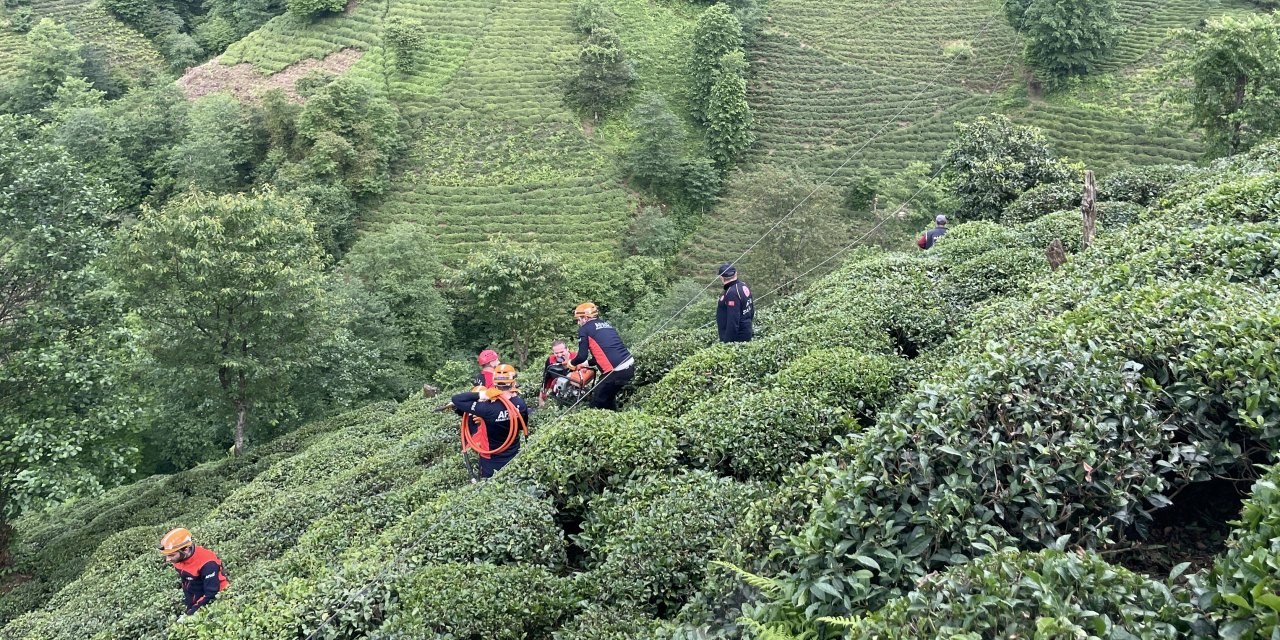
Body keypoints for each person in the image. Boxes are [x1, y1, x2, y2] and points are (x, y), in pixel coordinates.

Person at [450, 364, 529, 478]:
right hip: (514, 455)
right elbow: (522, 427)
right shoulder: (520, 404)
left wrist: (483, 394)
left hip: (491, 461)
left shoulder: (486, 408)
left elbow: (456, 399)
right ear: (513, 383)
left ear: (494, 383)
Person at [569, 302, 634, 411]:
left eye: (578, 319)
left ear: (585, 318)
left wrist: (571, 363)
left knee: (596, 405)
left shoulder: (584, 330)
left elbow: (581, 356)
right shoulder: (606, 325)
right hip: (629, 366)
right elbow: (604, 353)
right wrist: (584, 364)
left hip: (615, 371)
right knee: (608, 400)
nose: (578, 322)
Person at [159, 528, 229, 619]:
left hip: (217, 596)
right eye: (166, 556)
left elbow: (211, 593)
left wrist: (191, 613)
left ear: (186, 550)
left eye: (171, 555)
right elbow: (186, 582)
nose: (168, 560)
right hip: (196, 593)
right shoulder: (179, 558)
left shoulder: (207, 563)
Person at [715, 263, 754, 343]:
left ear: (721, 278)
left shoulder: (731, 293)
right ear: (736, 273)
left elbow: (733, 321)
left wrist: (727, 343)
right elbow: (751, 309)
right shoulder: (743, 286)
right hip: (746, 331)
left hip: (736, 339)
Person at [539, 339, 578, 407]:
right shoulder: (551, 360)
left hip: (576, 390)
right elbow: (546, 379)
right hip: (558, 391)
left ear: (567, 349)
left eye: (562, 352)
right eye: (556, 353)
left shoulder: (576, 357)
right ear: (553, 352)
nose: (559, 355)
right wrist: (541, 397)